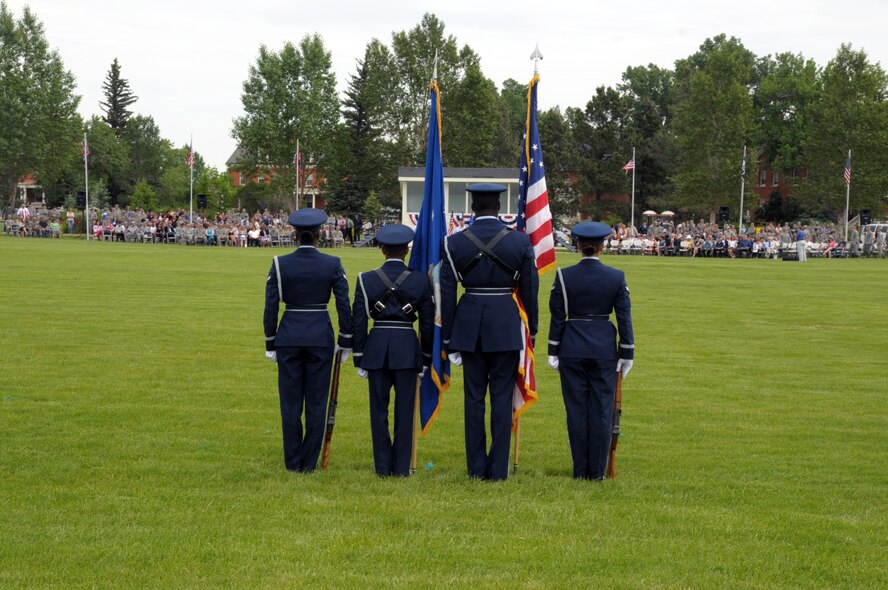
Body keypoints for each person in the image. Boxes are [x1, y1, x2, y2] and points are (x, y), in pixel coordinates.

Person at [440, 183, 539, 480]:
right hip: (506, 325)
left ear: (472, 208)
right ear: (498, 208)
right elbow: (530, 291)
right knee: (501, 398)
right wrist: (530, 331)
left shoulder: (454, 243)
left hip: (469, 325)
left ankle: (475, 468)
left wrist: (449, 337)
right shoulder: (520, 243)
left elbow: (446, 294)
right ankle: (498, 470)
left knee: (473, 399)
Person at [263, 208, 353, 472]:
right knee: (316, 401)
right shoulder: (333, 263)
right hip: (319, 336)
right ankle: (309, 462)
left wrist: (270, 341)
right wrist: (345, 339)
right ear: (319, 234)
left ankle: (292, 461)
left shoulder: (280, 263)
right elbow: (343, 304)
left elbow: (271, 307)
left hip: (289, 335)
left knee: (290, 403)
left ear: (294, 234)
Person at [547, 222, 635, 480]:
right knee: (602, 410)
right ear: (603, 246)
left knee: (576, 409)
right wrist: (627, 353)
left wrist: (553, 349)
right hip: (604, 350)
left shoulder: (564, 276)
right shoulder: (616, 277)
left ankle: (580, 469)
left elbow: (557, 316)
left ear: (577, 245)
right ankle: (596, 471)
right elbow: (624, 318)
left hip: (571, 347)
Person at [351, 224, 433, 476]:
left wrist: (359, 357)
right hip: (407, 348)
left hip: (376, 348)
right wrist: (427, 357)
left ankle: (382, 466)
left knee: (378, 411)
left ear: (382, 250)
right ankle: (401, 467)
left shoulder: (365, 279)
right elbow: (428, 323)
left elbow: (358, 321)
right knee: (405, 410)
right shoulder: (420, 280)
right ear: (407, 251)